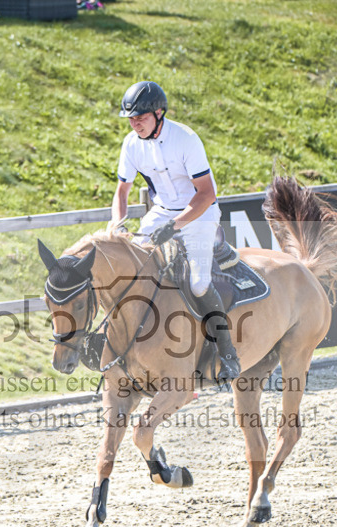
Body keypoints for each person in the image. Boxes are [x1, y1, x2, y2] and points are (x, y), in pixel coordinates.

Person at [108, 80, 240, 381]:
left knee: (198, 284)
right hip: (161, 213)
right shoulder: (130, 144)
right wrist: (117, 226)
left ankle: (227, 352)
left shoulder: (185, 139)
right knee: (133, 269)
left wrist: (176, 226)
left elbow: (206, 194)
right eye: (130, 118)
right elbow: (121, 194)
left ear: (159, 112)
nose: (134, 123)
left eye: (140, 116)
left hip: (199, 213)